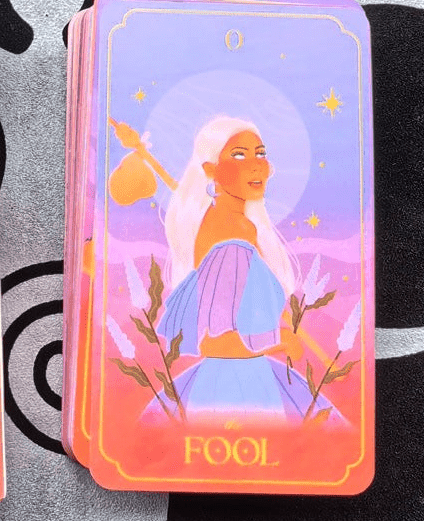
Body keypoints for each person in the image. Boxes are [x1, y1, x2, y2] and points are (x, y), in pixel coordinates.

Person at [144, 115, 340, 425]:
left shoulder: (239, 226)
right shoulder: (230, 236)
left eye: (260, 154)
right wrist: (281, 341)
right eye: (239, 155)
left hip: (247, 377)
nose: (256, 165)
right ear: (210, 170)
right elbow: (215, 342)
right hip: (233, 386)